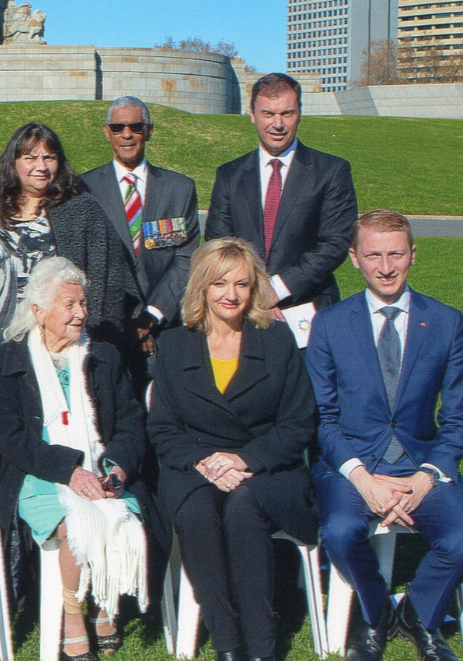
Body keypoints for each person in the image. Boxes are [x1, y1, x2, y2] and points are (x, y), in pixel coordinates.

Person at [148, 237, 318, 661]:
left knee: (245, 509)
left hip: (266, 464)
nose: (231, 295)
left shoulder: (277, 339)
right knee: (198, 514)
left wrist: (246, 459)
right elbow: (164, 428)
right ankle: (226, 640)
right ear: (202, 286)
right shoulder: (173, 344)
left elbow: (299, 422)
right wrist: (206, 462)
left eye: (242, 284)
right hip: (195, 463)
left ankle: (260, 643)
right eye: (220, 284)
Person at [307, 210, 463, 661]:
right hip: (352, 464)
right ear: (354, 259)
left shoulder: (448, 323)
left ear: (413, 255)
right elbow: (323, 419)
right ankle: (374, 613)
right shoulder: (330, 323)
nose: (387, 266)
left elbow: (456, 419)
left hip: (419, 463)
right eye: (374, 255)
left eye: (396, 254)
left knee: (459, 537)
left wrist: (427, 477)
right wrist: (362, 479)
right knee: (340, 532)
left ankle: (419, 613)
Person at [0, 256, 152, 660]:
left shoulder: (105, 356)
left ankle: (105, 603)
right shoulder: (3, 361)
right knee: (70, 525)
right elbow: (10, 439)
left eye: (83, 304)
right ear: (38, 312)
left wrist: (115, 469)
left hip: (100, 467)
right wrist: (69, 472)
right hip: (37, 472)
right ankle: (73, 617)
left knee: (120, 516)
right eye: (69, 305)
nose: (80, 314)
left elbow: (131, 422)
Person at [205, 72, 358, 341]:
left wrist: (276, 289)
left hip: (309, 310)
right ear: (251, 114)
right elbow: (218, 243)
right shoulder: (229, 175)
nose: (278, 124)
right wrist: (252, 292)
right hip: (242, 310)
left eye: (287, 113)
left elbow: (335, 243)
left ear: (299, 113)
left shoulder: (331, 171)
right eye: (268, 114)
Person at [0, 123, 140, 360]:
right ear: (13, 162)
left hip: (62, 344)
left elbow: (109, 279)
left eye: (49, 157)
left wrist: (97, 338)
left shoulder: (81, 209)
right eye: (30, 157)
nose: (41, 167)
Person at [80, 97, 200, 374]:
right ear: (106, 131)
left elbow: (186, 260)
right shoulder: (83, 188)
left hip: (164, 328)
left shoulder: (179, 189)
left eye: (135, 126)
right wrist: (124, 324)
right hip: (105, 331)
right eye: (117, 126)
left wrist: (150, 318)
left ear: (149, 130)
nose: (126, 134)